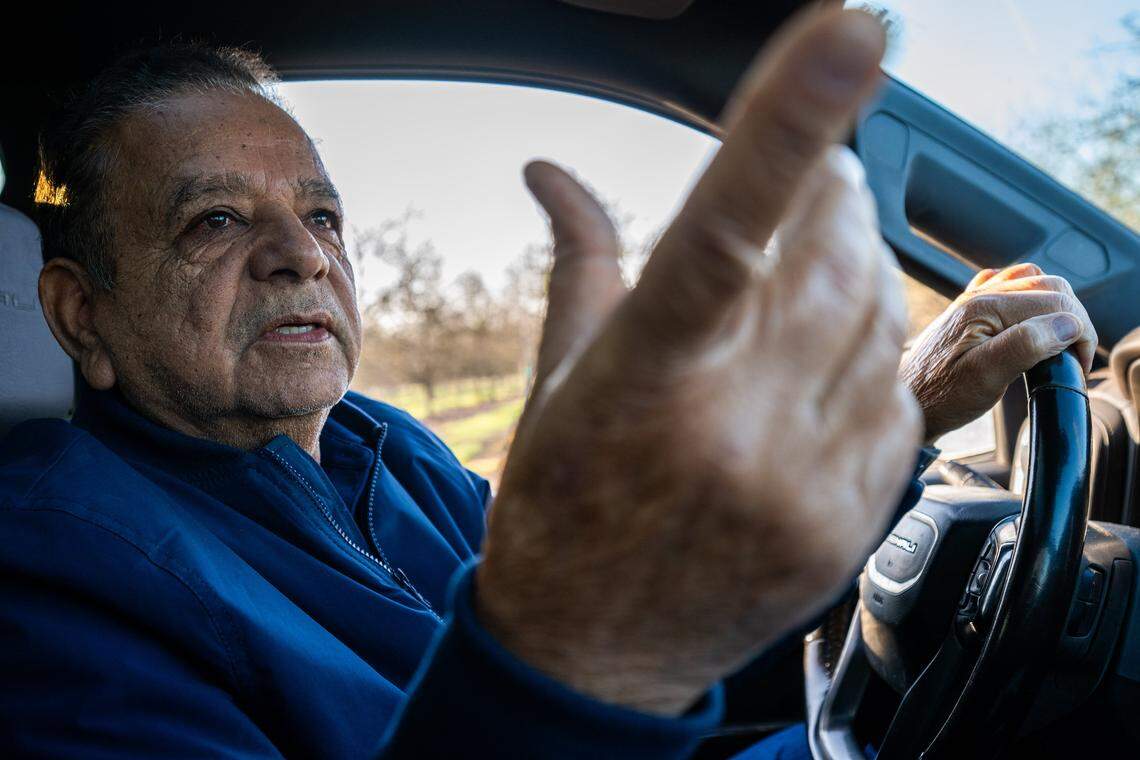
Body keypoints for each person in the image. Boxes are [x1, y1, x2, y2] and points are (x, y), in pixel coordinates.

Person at [0, 6, 1095, 757]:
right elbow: (596, 645)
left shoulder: (388, 446)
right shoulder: (50, 578)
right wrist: (571, 659)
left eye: (321, 214)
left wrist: (889, 416)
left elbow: (660, 625)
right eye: (217, 220)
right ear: (78, 313)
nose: (304, 254)